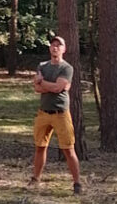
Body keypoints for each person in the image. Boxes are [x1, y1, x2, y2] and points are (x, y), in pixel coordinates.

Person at [30, 36, 81, 194]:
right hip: (43, 113)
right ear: (49, 48)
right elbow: (37, 89)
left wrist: (42, 82)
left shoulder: (67, 68)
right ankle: (35, 179)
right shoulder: (42, 66)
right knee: (40, 147)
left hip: (61, 113)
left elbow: (59, 88)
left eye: (59, 45)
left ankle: (77, 183)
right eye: (53, 45)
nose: (55, 48)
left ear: (64, 49)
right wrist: (46, 85)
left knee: (68, 149)